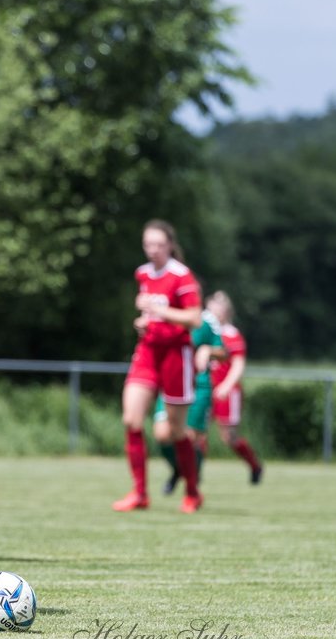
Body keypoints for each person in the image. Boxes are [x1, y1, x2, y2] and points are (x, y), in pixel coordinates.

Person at [112, 219, 204, 514]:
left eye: (158, 244)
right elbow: (149, 314)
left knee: (176, 431)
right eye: (147, 244)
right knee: (131, 420)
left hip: (176, 356)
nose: (152, 250)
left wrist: (160, 311)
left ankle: (192, 492)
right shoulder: (143, 274)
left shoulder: (182, 276)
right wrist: (143, 322)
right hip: (148, 351)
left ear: (169, 245)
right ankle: (140, 493)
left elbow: (194, 318)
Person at [155, 304, 224, 495]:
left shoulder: (207, 323)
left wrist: (208, 350)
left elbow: (224, 352)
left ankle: (192, 483)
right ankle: (179, 469)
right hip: (171, 380)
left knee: (191, 437)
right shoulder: (166, 317)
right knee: (162, 434)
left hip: (197, 385)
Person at [206, 290, 264, 484]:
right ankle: (193, 476)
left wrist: (226, 386)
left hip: (227, 392)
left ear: (227, 312)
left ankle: (254, 465)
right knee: (195, 433)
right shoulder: (205, 331)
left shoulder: (232, 335)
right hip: (205, 388)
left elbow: (238, 365)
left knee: (229, 437)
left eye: (219, 308)